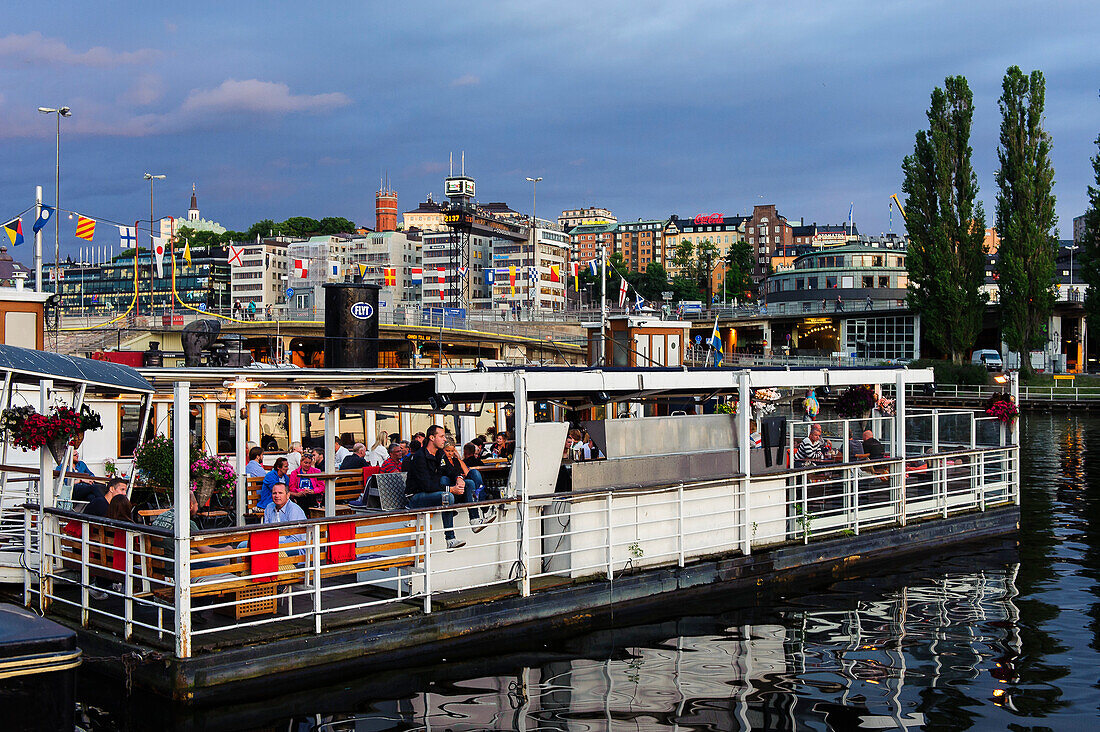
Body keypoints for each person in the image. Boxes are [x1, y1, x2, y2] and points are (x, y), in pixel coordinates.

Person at [405, 424, 466, 549]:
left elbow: (450, 470)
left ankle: (474, 519)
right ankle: (450, 539)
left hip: (431, 492)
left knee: (469, 483)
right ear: (432, 438)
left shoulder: (439, 454)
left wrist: (459, 478)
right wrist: (451, 489)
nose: (444, 439)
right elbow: (426, 485)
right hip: (415, 497)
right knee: (447, 496)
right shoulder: (419, 457)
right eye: (442, 436)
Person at [444, 441, 496, 532]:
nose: (450, 453)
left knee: (474, 473)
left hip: (463, 485)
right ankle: (480, 509)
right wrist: (458, 477)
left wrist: (461, 475)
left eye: (452, 451)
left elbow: (467, 473)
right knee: (470, 483)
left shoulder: (457, 461)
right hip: (455, 490)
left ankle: (482, 500)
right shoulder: (442, 462)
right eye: (447, 450)